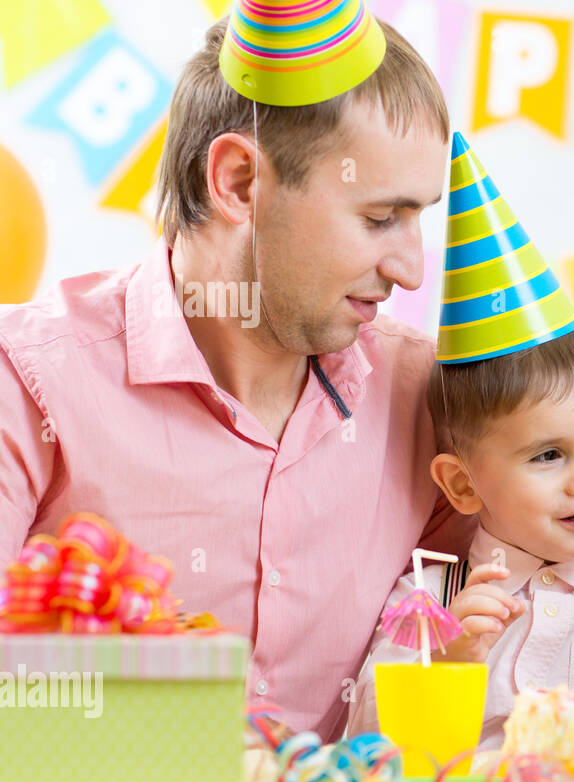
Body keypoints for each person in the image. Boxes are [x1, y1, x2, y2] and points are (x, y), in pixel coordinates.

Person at [0, 3, 474, 740]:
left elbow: (494, 655)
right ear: (240, 182)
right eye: (382, 219)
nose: (412, 270)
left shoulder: (431, 402)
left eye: (420, 219)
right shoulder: (27, 381)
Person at [347, 135, 574, 749]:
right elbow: (364, 744)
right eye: (548, 455)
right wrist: (446, 666)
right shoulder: (425, 604)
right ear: (462, 484)